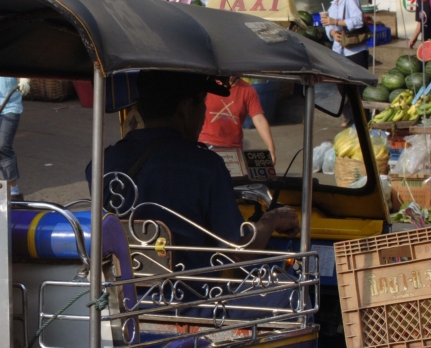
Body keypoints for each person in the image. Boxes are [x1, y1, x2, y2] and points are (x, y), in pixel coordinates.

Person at [86, 71, 299, 270]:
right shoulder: (207, 167)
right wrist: (272, 219)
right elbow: (239, 253)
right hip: (191, 295)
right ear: (187, 108)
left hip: (121, 293)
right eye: (203, 103)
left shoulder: (101, 164)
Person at [321, 0, 368, 127]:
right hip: (338, 51)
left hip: (354, 51)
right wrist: (332, 32)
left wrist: (335, 21)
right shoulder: (333, 4)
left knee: (358, 87)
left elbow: (358, 21)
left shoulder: (351, 0)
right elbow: (329, 26)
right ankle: (350, 115)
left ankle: (362, 120)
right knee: (341, 85)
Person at [198, 77, 277, 164]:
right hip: (205, 144)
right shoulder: (209, 85)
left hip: (233, 148)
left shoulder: (247, 90)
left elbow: (259, 119)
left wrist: (271, 149)